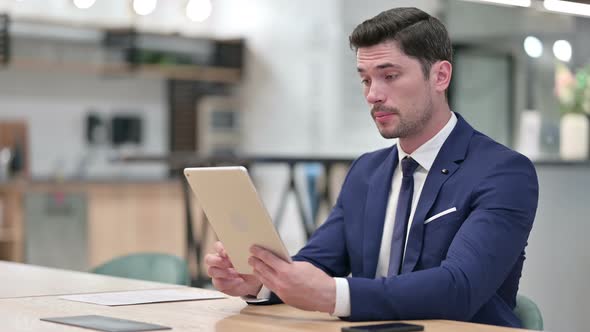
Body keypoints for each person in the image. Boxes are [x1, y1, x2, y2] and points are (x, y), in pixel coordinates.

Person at [205, 7, 538, 328]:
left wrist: (333, 295)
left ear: (440, 76)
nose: (373, 95)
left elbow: (459, 287)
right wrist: (261, 281)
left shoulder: (504, 173)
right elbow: (318, 262)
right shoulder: (367, 172)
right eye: (365, 80)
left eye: (389, 76)